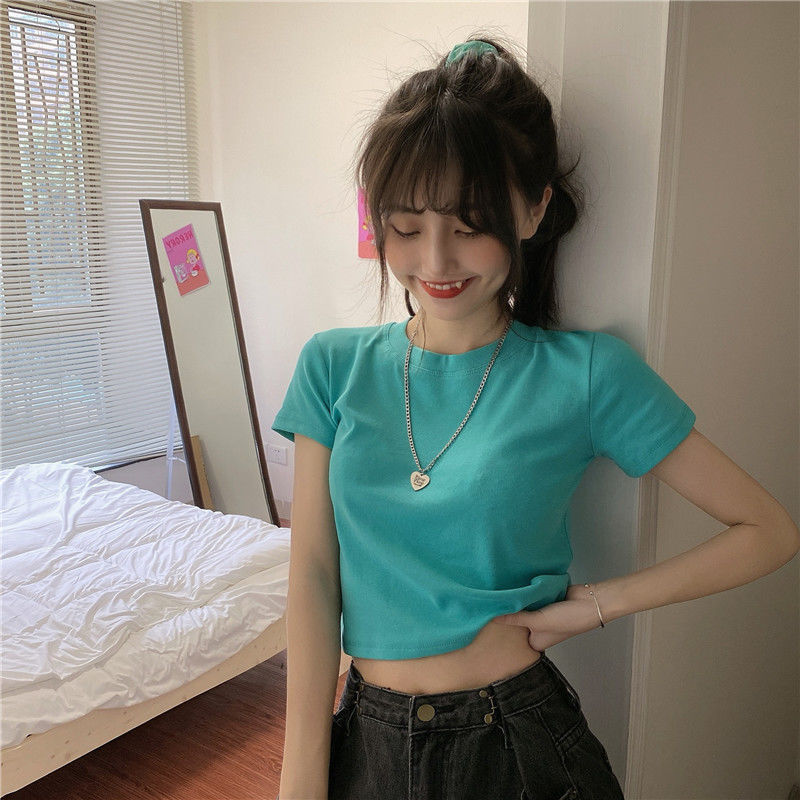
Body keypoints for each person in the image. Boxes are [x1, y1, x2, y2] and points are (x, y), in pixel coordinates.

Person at [271, 34, 800, 800]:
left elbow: (768, 530)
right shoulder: (331, 366)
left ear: (534, 208)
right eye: (407, 227)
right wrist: (300, 775)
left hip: (515, 747)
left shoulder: (584, 373)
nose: (436, 261)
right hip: (368, 743)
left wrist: (597, 605)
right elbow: (314, 577)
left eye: (469, 225)